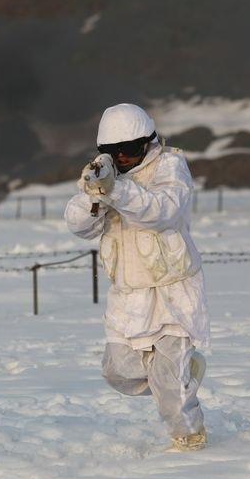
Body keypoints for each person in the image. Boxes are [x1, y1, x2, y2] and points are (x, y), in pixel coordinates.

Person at [64, 103, 210, 451]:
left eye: (129, 150)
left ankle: (190, 438)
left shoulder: (170, 165)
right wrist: (94, 196)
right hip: (129, 293)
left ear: (147, 142)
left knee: (169, 381)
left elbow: (161, 212)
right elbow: (78, 225)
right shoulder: (104, 174)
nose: (123, 158)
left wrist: (116, 190)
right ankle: (182, 373)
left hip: (172, 288)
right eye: (114, 153)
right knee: (119, 372)